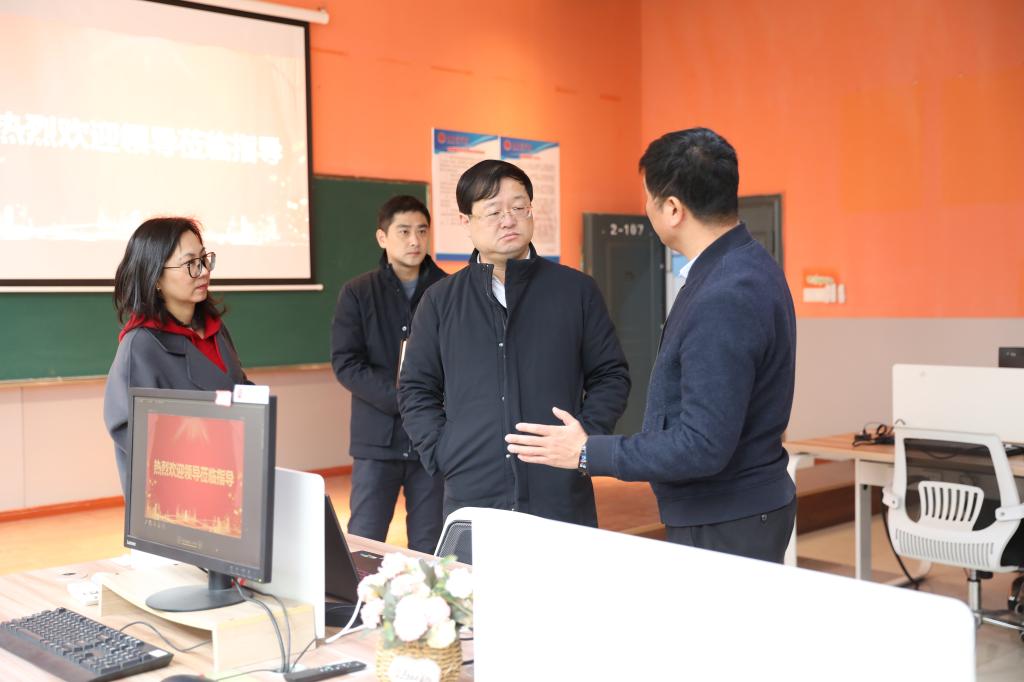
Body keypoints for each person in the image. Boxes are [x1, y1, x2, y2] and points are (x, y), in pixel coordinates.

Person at [506, 128, 798, 563]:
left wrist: (586, 452)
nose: (645, 209)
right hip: (735, 509)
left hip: (726, 516)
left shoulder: (724, 293)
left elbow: (702, 444)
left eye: (647, 198)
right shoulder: (741, 264)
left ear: (673, 209)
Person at [398, 160, 630, 526]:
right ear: (465, 222)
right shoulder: (440, 301)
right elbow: (415, 388)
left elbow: (611, 375)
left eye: (519, 207)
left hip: (559, 487)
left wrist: (585, 436)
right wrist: (443, 450)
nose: (508, 220)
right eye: (493, 211)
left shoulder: (576, 291)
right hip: (473, 490)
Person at [331, 195, 448, 553]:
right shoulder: (358, 292)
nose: (415, 240)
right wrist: (404, 400)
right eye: (404, 231)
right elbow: (346, 363)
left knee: (431, 544)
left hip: (432, 439)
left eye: (422, 231)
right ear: (382, 237)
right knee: (364, 541)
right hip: (377, 440)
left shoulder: (449, 291)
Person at [104, 217, 248, 497]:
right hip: (181, 497)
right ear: (155, 277)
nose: (203, 271)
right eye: (190, 263)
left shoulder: (215, 330)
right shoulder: (140, 344)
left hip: (232, 481)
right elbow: (130, 429)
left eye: (204, 259)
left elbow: (236, 386)